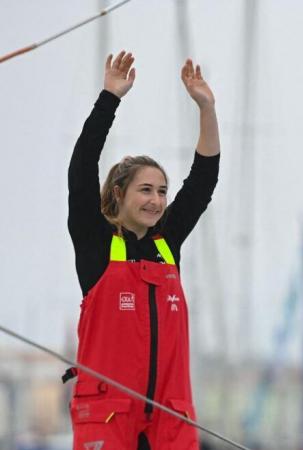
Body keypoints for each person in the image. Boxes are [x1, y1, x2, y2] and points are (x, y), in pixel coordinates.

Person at [66, 50, 220, 450]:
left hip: (171, 417)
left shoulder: (166, 245)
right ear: (120, 193)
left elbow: (203, 181)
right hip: (109, 415)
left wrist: (206, 109)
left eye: (162, 192)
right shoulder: (96, 243)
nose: (156, 201)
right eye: (146, 190)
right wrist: (109, 99)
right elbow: (82, 171)